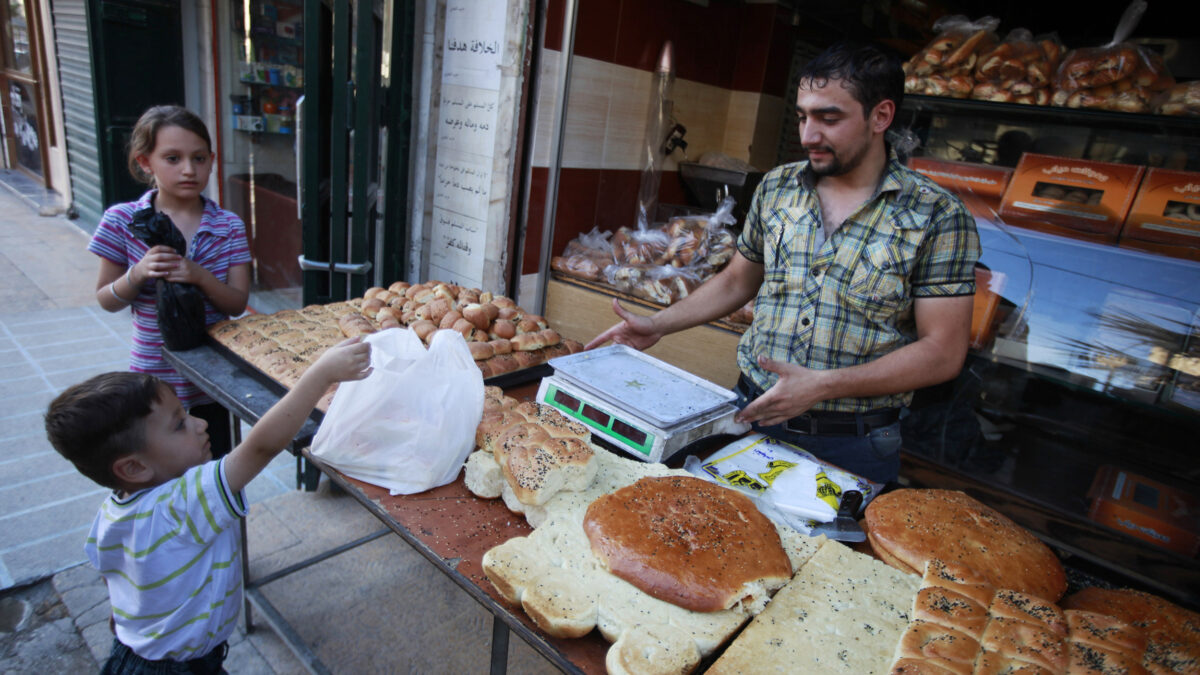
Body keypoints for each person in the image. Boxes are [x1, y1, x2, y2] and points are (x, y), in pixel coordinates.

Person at [588, 41, 980, 484]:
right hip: (749, 416)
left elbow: (943, 353)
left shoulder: (936, 215)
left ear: (881, 117)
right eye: (802, 116)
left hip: (851, 443)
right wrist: (658, 324)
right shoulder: (777, 187)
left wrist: (824, 385)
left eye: (828, 118)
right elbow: (739, 279)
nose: (808, 135)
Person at [44, 337, 372, 674]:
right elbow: (261, 447)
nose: (200, 423)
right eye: (179, 424)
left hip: (135, 653)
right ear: (134, 468)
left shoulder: (111, 512)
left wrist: (129, 616)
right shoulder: (180, 505)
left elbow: (112, 572)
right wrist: (320, 375)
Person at [89, 105, 251, 458]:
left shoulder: (228, 226)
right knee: (162, 469)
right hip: (153, 375)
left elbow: (237, 303)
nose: (189, 170)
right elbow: (106, 298)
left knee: (216, 466)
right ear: (145, 162)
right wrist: (138, 273)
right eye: (173, 158)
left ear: (212, 160)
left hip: (216, 378)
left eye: (199, 158)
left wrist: (200, 277)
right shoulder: (123, 221)